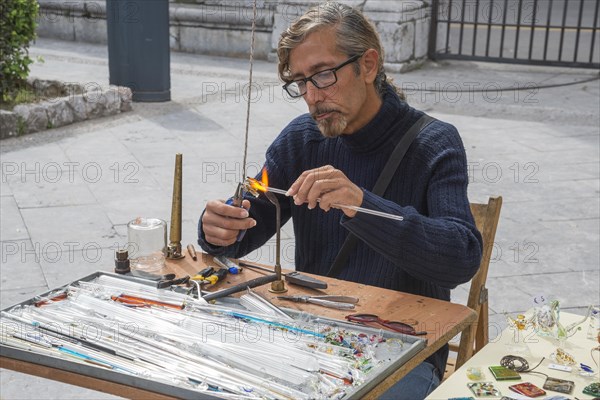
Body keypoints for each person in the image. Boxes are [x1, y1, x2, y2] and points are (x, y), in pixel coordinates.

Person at [198, 2, 483, 398]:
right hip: (310, 331)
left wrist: (362, 204)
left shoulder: (433, 143)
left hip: (402, 343)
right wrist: (218, 228)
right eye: (301, 82)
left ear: (368, 65)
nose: (312, 97)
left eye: (324, 75)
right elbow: (251, 214)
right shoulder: (300, 139)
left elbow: (460, 257)